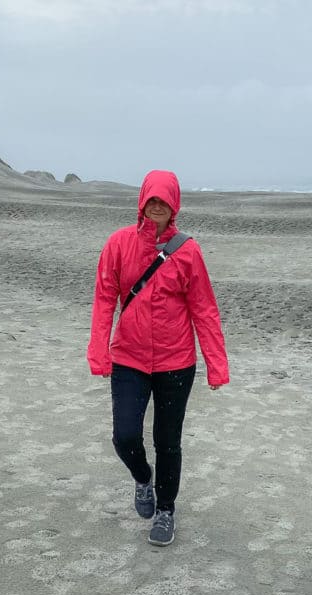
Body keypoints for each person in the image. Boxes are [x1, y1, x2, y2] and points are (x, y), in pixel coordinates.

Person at [88, 169, 229, 546]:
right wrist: (99, 352)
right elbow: (104, 299)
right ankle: (142, 479)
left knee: (168, 440)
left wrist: (216, 364)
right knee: (125, 436)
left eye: (164, 201)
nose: (157, 206)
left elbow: (204, 309)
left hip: (176, 362)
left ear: (174, 206)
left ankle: (166, 510)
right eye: (152, 199)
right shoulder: (118, 243)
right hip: (129, 359)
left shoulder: (188, 251)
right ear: (141, 201)